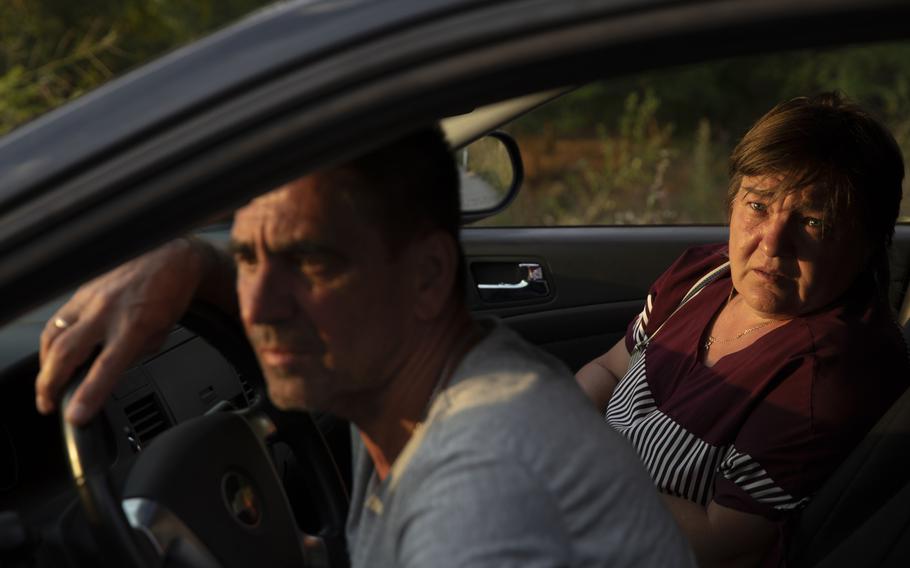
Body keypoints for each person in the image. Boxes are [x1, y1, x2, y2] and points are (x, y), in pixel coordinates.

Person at [35, 126, 693, 567]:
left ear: (428, 277)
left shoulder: (483, 488)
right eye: (245, 258)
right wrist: (187, 263)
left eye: (311, 264)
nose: (259, 305)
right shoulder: (411, 375)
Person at [576, 92, 910, 567]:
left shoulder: (828, 373)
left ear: (864, 245)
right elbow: (610, 369)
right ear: (732, 203)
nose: (772, 242)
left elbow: (719, 540)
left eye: (813, 220)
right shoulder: (704, 274)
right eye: (758, 205)